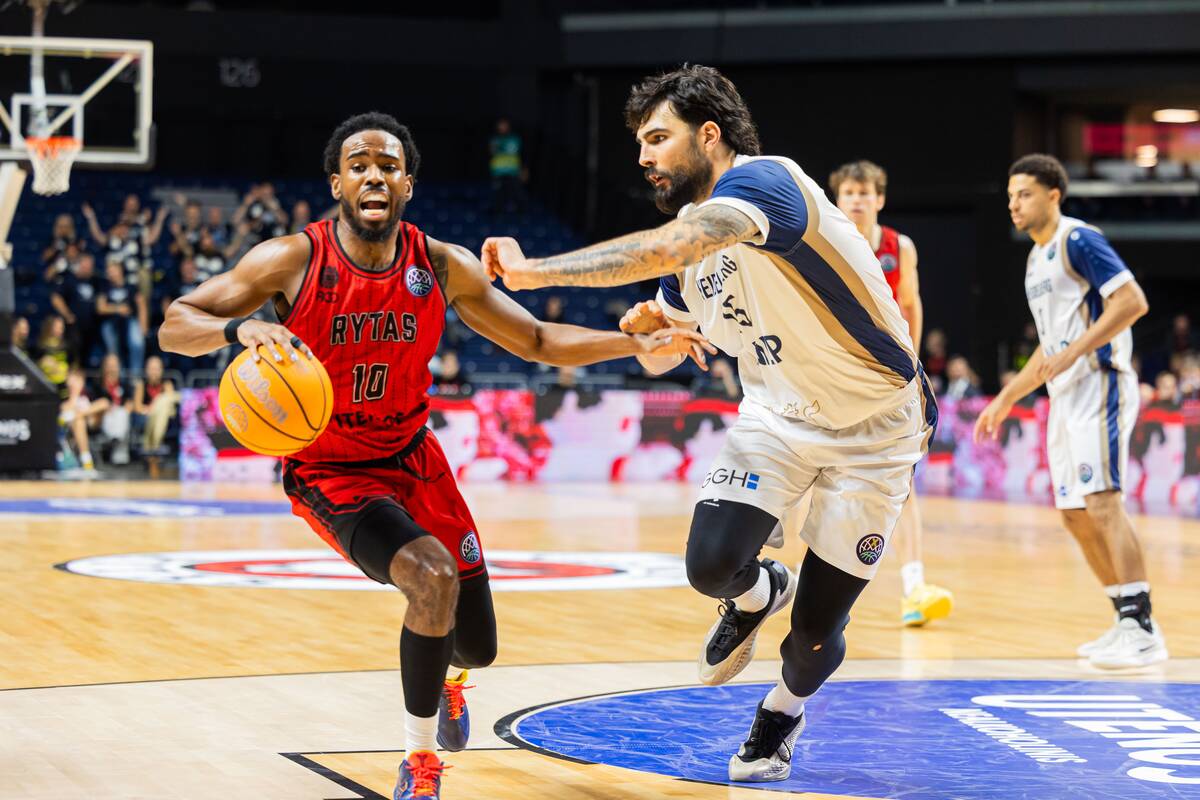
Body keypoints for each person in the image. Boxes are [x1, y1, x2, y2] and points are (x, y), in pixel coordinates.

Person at [159, 111, 710, 800]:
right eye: (358, 163)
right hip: (331, 471)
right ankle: (420, 763)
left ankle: (452, 680)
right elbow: (176, 321)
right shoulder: (289, 260)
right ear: (337, 182)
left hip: (414, 459)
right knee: (431, 575)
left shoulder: (439, 264)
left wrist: (633, 344)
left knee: (476, 644)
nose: (373, 174)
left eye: (388, 165)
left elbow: (536, 340)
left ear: (408, 185)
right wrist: (240, 330)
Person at [483, 65, 937, 783]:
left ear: (710, 135)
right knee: (709, 566)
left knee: (815, 637)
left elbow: (668, 248)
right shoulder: (690, 261)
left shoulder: (764, 184)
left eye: (658, 138)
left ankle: (782, 713)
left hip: (876, 427)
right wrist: (650, 332)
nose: (644, 156)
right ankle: (760, 592)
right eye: (640, 142)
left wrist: (535, 273)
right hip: (777, 417)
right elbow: (668, 353)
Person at [975, 153, 1164, 669]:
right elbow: (1049, 344)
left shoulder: (1077, 240)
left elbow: (1132, 302)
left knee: (1103, 501)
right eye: (1010, 196)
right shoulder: (1036, 261)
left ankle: (1143, 627)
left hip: (1099, 384)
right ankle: (1123, 619)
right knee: (1074, 513)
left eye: (1025, 194)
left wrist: (1076, 352)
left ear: (1054, 195)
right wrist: (1006, 397)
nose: (1015, 204)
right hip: (1064, 396)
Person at [828, 159, 953, 627]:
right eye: (849, 192)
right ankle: (805, 582)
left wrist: (913, 366)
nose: (857, 199)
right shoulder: (827, 242)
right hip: (836, 375)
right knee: (820, 476)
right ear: (837, 201)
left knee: (903, 483)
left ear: (879, 199)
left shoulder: (901, 246)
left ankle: (914, 586)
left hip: (888, 376)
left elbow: (910, 303)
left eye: (865, 192)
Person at [133, 355, 179, 478]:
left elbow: (170, 401)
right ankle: (156, 448)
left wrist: (157, 404)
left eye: (156, 368)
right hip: (147, 417)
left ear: (161, 370)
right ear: (146, 370)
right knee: (159, 410)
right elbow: (137, 407)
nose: (153, 372)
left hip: (165, 418)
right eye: (151, 368)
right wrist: (151, 409)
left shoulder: (167, 383)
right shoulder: (141, 384)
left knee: (163, 404)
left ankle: (152, 448)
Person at [98, 261, 147, 373]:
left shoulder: (131, 286)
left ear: (120, 270)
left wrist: (143, 326)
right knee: (112, 348)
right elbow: (100, 307)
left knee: (137, 343)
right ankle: (120, 375)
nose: (110, 273)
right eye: (108, 271)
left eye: (113, 270)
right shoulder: (105, 287)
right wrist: (117, 309)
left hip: (130, 320)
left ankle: (135, 375)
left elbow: (142, 305)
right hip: (111, 321)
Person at [50, 253, 99, 366]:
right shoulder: (70, 279)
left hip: (90, 327)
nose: (89, 268)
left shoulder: (94, 281)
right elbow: (56, 297)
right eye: (87, 265)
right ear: (80, 264)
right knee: (73, 352)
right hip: (74, 327)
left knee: (87, 356)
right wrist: (67, 315)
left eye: (91, 265)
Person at [488, 118, 525, 214]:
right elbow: (492, 152)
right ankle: (497, 215)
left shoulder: (515, 139)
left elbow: (520, 155)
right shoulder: (495, 139)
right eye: (500, 125)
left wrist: (523, 170)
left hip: (513, 171)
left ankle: (520, 215)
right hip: (499, 172)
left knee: (518, 194)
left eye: (504, 125)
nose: (502, 127)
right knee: (498, 195)